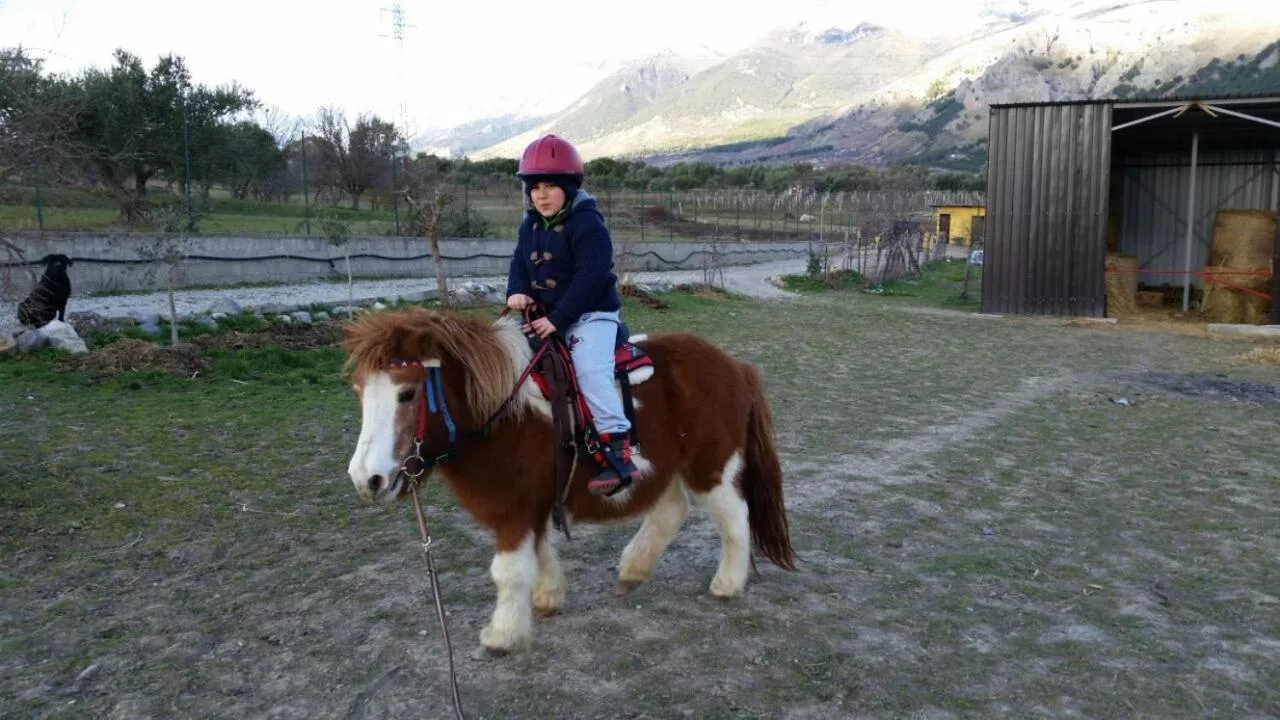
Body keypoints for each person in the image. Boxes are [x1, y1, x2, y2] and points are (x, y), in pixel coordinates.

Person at [505, 133, 642, 497]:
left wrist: (559, 317)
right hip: (547, 315)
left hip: (590, 315)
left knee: (589, 371)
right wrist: (516, 290)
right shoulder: (529, 225)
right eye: (535, 187)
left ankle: (617, 449)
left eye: (551, 186)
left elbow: (591, 275)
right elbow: (519, 262)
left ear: (568, 187)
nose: (542, 195)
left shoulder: (588, 223)